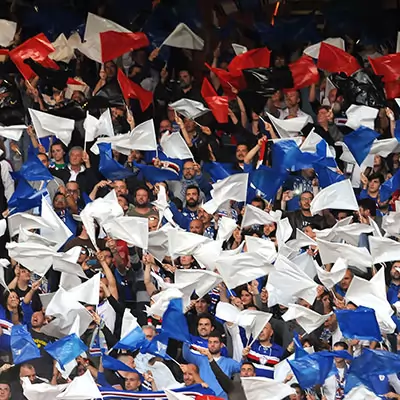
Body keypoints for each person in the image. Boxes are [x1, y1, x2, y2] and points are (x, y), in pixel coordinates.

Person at [182, 331, 241, 398]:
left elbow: (241, 368)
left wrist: (244, 357)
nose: (212, 345)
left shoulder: (229, 362)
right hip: (204, 397)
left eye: (215, 342)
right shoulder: (201, 359)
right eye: (210, 342)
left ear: (221, 345)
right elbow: (186, 354)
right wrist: (184, 338)